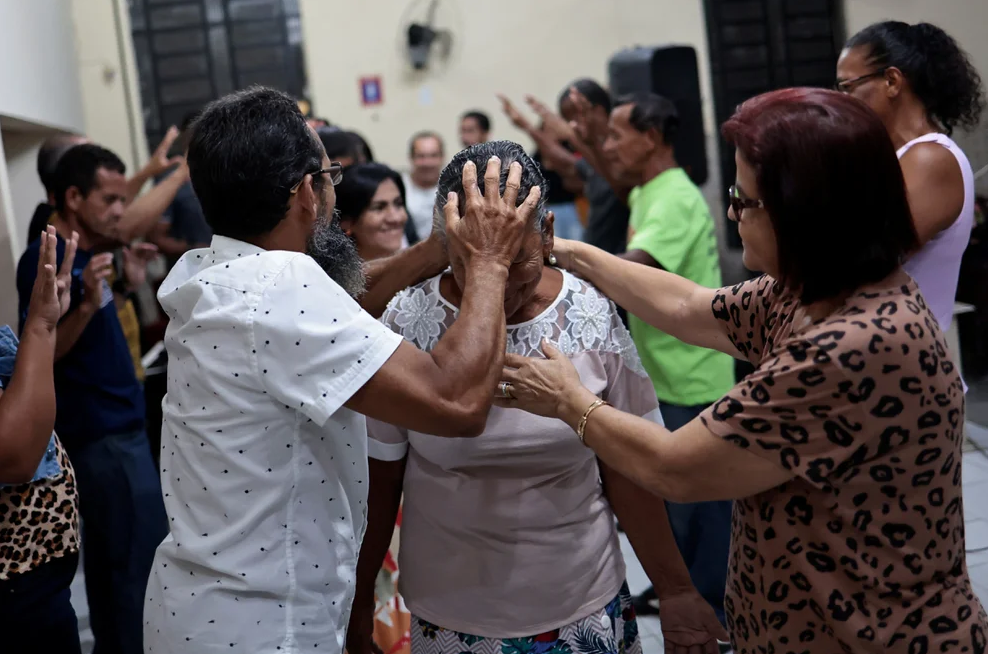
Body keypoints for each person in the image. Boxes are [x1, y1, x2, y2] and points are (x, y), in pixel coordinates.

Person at [496, 87, 988, 654]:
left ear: (803, 209)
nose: (731, 212)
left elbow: (676, 468)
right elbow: (686, 307)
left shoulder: (852, 344)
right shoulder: (810, 292)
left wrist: (570, 401)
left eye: (743, 199)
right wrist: (569, 252)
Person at [144, 87, 543, 653]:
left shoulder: (215, 272)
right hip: (264, 625)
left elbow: (341, 300)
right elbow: (455, 401)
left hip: (198, 609)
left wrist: (438, 250)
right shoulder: (280, 289)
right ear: (308, 192)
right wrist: (487, 259)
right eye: (330, 173)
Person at [347, 141, 726, 654]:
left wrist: (676, 588)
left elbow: (628, 471)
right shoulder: (409, 319)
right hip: (453, 614)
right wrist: (360, 601)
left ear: (546, 232)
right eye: (472, 263)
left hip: (582, 601)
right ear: (446, 243)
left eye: (513, 260)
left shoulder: (587, 314)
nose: (494, 286)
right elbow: (382, 477)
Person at [17, 146, 167, 654]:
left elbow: (91, 325)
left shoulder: (82, 250)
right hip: (102, 435)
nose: (121, 211)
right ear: (74, 197)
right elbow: (46, 351)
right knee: (134, 570)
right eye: (110, 199)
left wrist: (122, 285)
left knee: (117, 566)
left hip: (119, 426)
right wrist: (83, 302)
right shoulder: (46, 258)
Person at [598, 92, 735, 620]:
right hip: (664, 369)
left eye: (616, 135)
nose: (609, 147)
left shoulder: (675, 196)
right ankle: (689, 587)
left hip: (692, 371)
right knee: (677, 504)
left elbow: (635, 267)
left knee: (703, 505)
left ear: (651, 138)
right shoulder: (648, 190)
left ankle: (717, 609)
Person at [837, 21, 984, 334]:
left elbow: (861, 258)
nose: (842, 101)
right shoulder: (895, 159)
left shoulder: (930, 159)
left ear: (891, 81)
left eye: (848, 87)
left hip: (909, 372)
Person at [0, 226, 82, 653]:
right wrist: (39, 325)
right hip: (14, 592)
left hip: (32, 585)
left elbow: (20, 402)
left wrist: (46, 325)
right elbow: (14, 453)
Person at [149, 111, 212, 266]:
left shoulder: (228, 175)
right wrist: (193, 248)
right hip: (188, 273)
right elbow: (156, 237)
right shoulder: (169, 183)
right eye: (193, 135)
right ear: (184, 138)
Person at [336, 162, 414, 257]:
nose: (395, 218)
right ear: (345, 222)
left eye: (398, 204)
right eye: (379, 208)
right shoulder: (327, 271)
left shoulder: (420, 268)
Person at [402, 131, 444, 241]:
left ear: (442, 157)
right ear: (411, 158)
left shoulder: (454, 189)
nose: (427, 162)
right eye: (421, 156)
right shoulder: (398, 187)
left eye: (433, 155)